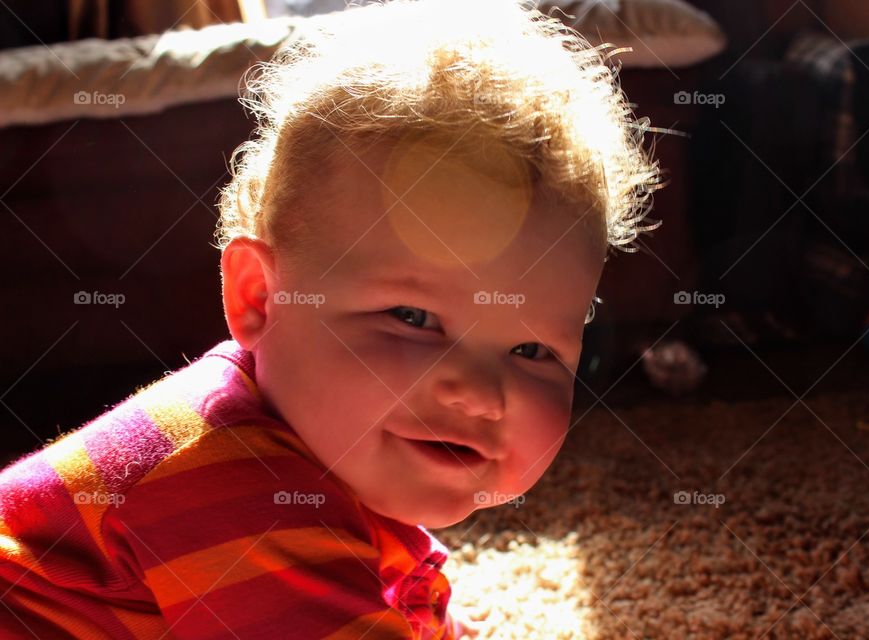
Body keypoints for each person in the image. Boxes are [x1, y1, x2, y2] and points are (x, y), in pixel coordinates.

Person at [0, 0, 659, 636]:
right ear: (260, 298)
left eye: (533, 351)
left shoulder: (318, 465)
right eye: (413, 317)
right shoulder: (229, 484)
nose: (482, 394)